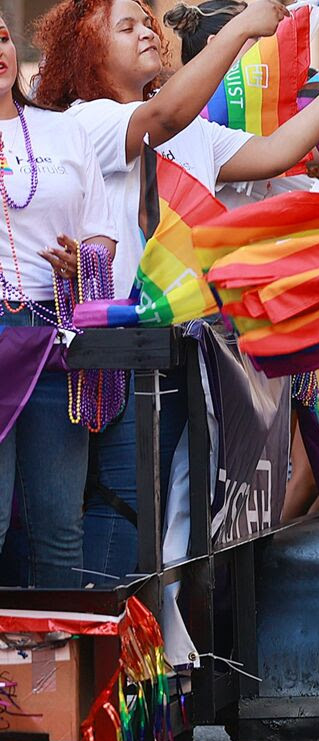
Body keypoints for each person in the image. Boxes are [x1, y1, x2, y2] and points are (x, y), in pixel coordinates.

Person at [31, 0, 319, 580]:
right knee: (126, 521)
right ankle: (125, 656)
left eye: (147, 23)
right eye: (125, 27)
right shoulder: (85, 122)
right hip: (116, 361)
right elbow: (160, 117)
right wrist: (241, 27)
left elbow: (277, 152)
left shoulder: (193, 132)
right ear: (85, 50)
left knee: (178, 524)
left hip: (187, 354)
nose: (146, 35)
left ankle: (175, 647)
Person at [0, 15, 118, 588]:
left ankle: (55, 676)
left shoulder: (62, 131)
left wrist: (84, 264)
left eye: (1, 36)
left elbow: (101, 230)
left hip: (56, 332)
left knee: (59, 525)